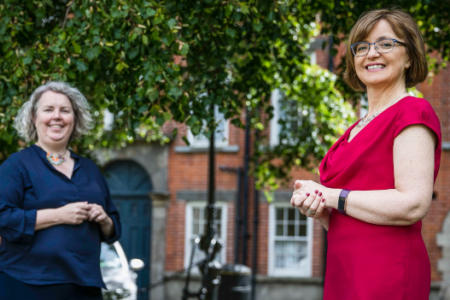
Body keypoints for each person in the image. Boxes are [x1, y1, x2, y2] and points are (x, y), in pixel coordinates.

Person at [290, 9, 441, 300]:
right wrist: (320, 209)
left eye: (386, 44)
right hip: (344, 269)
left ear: (410, 56)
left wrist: (331, 195)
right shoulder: (354, 130)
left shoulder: (412, 111)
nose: (371, 53)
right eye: (362, 46)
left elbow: (412, 204)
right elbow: (350, 212)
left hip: (388, 271)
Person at [0, 81, 121, 300]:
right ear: (34, 119)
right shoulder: (16, 165)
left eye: (65, 110)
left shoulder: (91, 170)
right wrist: (59, 215)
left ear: (74, 120)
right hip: (27, 285)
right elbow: (3, 218)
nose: (57, 116)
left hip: (84, 286)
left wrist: (104, 220)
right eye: (48, 110)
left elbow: (113, 229)